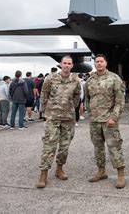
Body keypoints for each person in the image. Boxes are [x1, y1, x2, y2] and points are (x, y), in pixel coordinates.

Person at [36, 56, 81, 189]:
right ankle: (43, 174)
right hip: (53, 117)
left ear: (72, 66)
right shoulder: (50, 78)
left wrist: (70, 108)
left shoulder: (76, 80)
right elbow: (44, 94)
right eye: (64, 63)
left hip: (68, 118)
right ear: (60, 65)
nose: (66, 65)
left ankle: (59, 169)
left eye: (69, 63)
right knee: (49, 145)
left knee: (64, 147)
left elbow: (77, 97)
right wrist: (45, 111)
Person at [85, 54, 126, 189]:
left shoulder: (114, 78)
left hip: (109, 121)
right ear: (94, 64)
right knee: (98, 148)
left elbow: (119, 101)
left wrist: (113, 117)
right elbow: (87, 99)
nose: (99, 64)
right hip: (95, 120)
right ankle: (101, 171)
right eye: (97, 62)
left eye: (101, 61)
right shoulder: (90, 80)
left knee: (114, 147)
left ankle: (120, 174)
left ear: (106, 63)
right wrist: (90, 114)